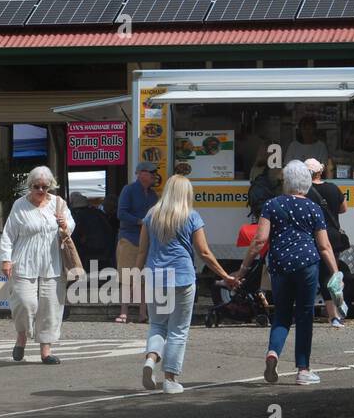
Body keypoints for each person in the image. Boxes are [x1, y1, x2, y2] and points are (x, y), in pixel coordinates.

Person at [237, 160, 339, 386]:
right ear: (305, 182)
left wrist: (244, 269)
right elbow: (324, 246)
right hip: (307, 266)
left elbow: (259, 240)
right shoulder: (313, 207)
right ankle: (303, 370)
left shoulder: (272, 205)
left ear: (286, 182)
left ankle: (273, 353)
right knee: (304, 315)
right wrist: (335, 271)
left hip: (280, 265)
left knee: (282, 314)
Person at [136, 175, 238, 393]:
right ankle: (170, 379)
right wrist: (225, 276)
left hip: (155, 277)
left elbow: (142, 250)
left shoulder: (151, 215)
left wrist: (136, 275)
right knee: (178, 330)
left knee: (157, 325)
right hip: (182, 277)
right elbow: (204, 252)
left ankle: (150, 360)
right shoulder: (191, 216)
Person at [0, 166, 76, 365]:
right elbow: (8, 234)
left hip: (52, 262)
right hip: (24, 261)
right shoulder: (20, 205)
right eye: (36, 186)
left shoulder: (58, 203)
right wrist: (5, 259)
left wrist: (65, 225)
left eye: (45, 186)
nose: (41, 190)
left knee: (50, 306)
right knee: (25, 303)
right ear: (29, 186)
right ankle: (22, 334)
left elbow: (70, 226)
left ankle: (45, 350)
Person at [306, 158, 349, 327]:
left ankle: (319, 313)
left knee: (311, 275)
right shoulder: (333, 188)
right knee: (331, 275)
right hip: (332, 236)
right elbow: (343, 209)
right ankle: (336, 313)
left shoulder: (305, 192)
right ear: (321, 171)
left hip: (313, 236)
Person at [115, 161, 158, 323]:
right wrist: (140, 221)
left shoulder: (154, 195)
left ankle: (143, 313)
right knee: (126, 276)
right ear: (140, 173)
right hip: (129, 238)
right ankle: (123, 312)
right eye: (151, 172)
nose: (154, 175)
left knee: (144, 277)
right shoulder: (129, 190)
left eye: (154, 173)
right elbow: (121, 213)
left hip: (147, 240)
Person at [69, 191, 117, 272]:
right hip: (106, 252)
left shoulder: (77, 216)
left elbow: (74, 237)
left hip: (87, 253)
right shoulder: (99, 213)